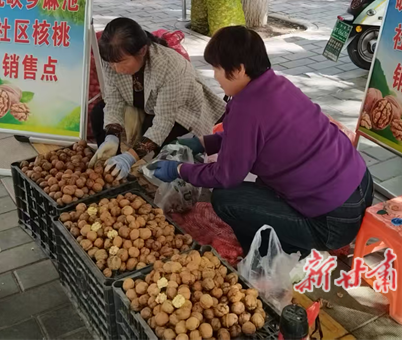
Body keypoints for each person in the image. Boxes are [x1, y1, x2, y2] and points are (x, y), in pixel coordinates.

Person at [149, 26, 373, 255]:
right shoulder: (278, 85)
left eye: (217, 68)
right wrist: (204, 142)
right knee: (259, 186)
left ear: (239, 70)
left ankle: (275, 253)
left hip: (333, 223)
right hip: (362, 186)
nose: (215, 77)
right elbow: (252, 136)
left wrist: (178, 169)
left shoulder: (246, 109)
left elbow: (225, 176)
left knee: (226, 199)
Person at [89, 17, 225, 181]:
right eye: (111, 63)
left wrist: (130, 157)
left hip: (181, 111)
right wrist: (112, 135)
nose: (116, 69)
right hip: (143, 103)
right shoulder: (111, 57)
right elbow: (113, 100)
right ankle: (112, 169)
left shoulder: (171, 66)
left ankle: (138, 171)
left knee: (155, 139)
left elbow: (163, 123)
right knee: (98, 114)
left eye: (121, 62)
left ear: (142, 51)